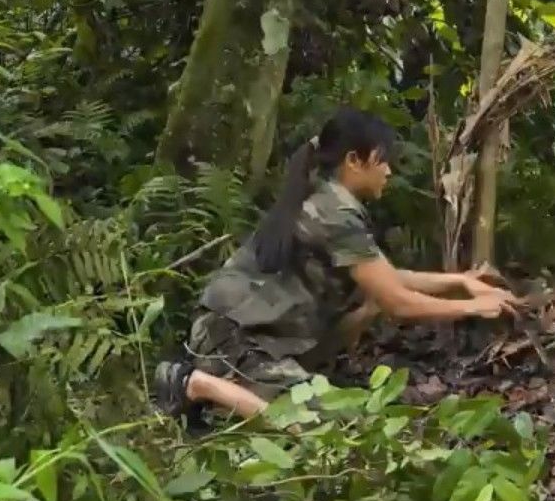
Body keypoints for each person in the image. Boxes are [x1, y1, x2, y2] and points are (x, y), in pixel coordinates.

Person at [152, 106, 520, 422]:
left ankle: (231, 398)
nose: (389, 171)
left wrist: (462, 281)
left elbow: (387, 280)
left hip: (254, 338)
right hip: (234, 340)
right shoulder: (334, 212)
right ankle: (194, 383)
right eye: (382, 160)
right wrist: (473, 305)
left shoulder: (325, 199)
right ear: (354, 161)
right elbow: (399, 303)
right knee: (320, 424)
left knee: (369, 302)